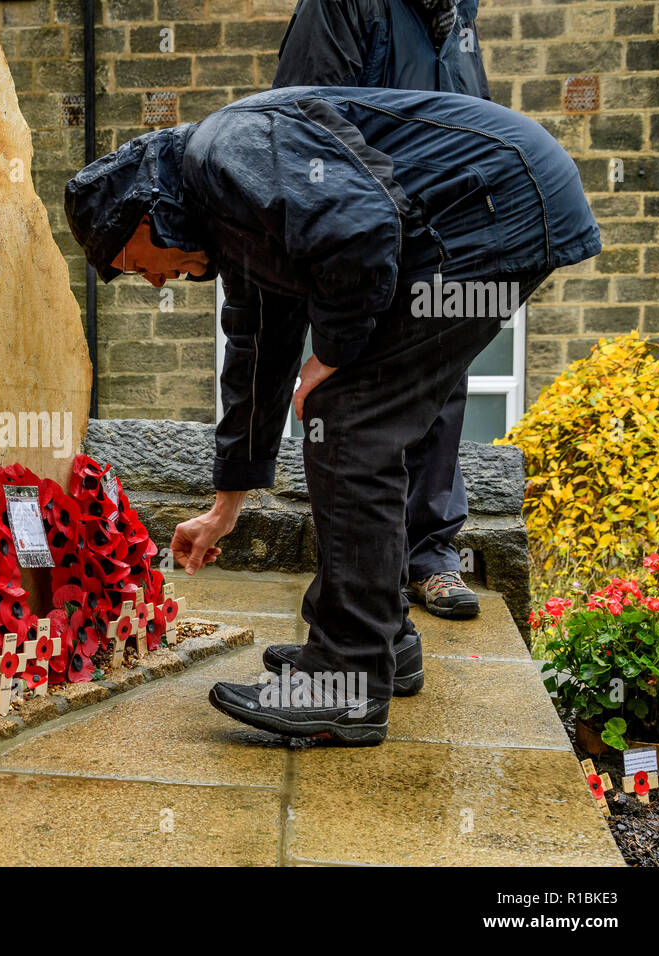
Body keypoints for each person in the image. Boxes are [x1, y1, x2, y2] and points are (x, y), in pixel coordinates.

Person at [64, 87, 600, 744]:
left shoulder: (221, 152)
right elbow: (257, 353)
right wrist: (226, 503)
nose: (151, 282)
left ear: (141, 219)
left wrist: (336, 353)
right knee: (345, 418)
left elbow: (361, 228)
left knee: (347, 420)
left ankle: (347, 676)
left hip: (492, 209)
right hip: (486, 208)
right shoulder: (225, 216)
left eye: (131, 266)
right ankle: (380, 645)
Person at [273, 0, 491, 623]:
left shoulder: (459, 15)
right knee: (354, 400)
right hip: (367, 235)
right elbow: (302, 124)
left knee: (443, 392)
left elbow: (476, 122)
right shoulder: (342, 5)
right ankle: (362, 574)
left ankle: (429, 556)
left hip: (446, 237)